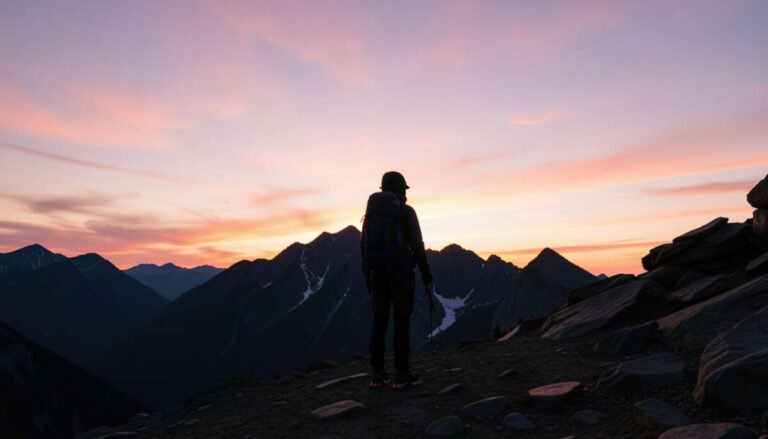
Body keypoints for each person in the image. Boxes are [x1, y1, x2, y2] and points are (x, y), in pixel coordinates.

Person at [361, 171, 433, 389]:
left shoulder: (370, 215)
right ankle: (402, 372)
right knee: (401, 320)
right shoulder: (406, 212)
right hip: (401, 273)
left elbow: (364, 245)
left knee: (379, 320)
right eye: (404, 189)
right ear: (400, 189)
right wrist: (426, 273)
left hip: (377, 273)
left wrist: (368, 273)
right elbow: (417, 245)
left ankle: (378, 373)